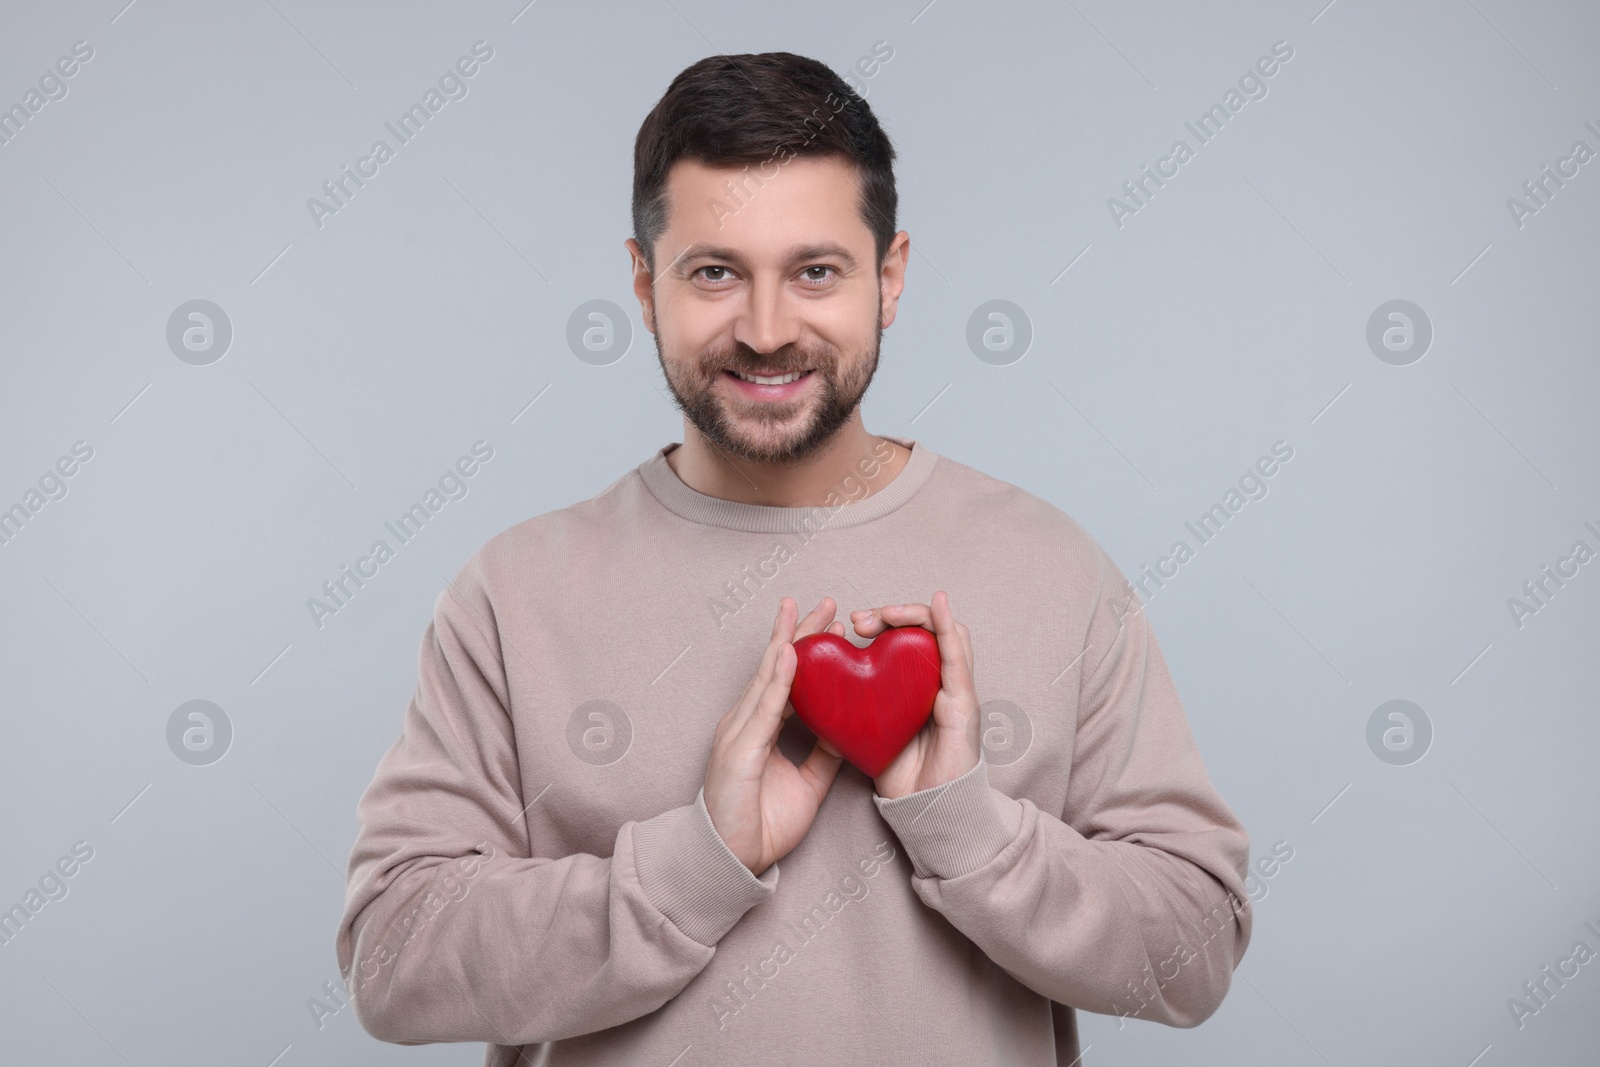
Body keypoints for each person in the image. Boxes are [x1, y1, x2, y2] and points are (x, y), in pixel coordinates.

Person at [336, 50, 1253, 1067]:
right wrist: (698, 860)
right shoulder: (512, 593)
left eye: (814, 271)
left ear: (889, 277)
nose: (766, 331)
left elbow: (1196, 952)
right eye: (715, 272)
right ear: (644, 286)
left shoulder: (1053, 568)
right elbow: (391, 956)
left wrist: (970, 832)